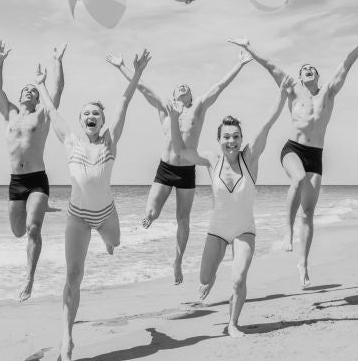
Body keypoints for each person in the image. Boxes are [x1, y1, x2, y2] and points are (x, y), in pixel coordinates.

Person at [228, 28, 358, 287]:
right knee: (298, 179)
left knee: (309, 213)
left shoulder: (329, 93)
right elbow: (270, 66)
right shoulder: (293, 92)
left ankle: (303, 264)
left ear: (318, 76)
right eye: (303, 69)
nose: (307, 70)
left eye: (311, 68)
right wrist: (248, 47)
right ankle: (287, 230)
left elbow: (346, 63)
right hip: (293, 150)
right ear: (300, 78)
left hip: (316, 155)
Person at [35, 49, 151, 361]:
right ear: (81, 119)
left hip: (107, 215)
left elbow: (124, 102)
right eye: (86, 113)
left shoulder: (109, 141)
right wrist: (42, 84)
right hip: (77, 216)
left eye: (95, 114)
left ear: (101, 121)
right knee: (73, 276)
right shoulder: (70, 141)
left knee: (114, 242)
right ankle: (66, 338)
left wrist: (134, 71)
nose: (91, 116)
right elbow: (51, 112)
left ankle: (107, 241)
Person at [105, 48, 252, 285]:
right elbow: (141, 86)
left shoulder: (199, 108)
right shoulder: (165, 107)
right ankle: (124, 233)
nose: (183, 87)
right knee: (151, 214)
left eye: (187, 87)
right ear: (173, 95)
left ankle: (178, 261)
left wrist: (239, 64)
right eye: (179, 87)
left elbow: (219, 86)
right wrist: (122, 65)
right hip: (165, 169)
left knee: (183, 219)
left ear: (191, 96)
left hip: (186, 171)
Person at [173, 80, 291, 337]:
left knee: (238, 279)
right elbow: (180, 151)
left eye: (236, 136)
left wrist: (281, 96)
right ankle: (212, 276)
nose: (232, 141)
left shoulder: (249, 158)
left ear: (241, 139)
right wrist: (175, 118)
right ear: (219, 139)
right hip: (216, 231)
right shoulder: (211, 159)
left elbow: (267, 124)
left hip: (243, 230)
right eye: (226, 137)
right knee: (204, 279)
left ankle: (233, 324)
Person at [0, 40, 66, 301]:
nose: (29, 92)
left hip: (36, 180)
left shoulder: (43, 114)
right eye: (26, 90)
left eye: (33, 91)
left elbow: (57, 90)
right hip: (16, 182)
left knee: (33, 228)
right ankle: (41, 206)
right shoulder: (9, 113)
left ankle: (29, 278)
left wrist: (57, 62)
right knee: (17, 231)